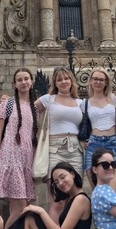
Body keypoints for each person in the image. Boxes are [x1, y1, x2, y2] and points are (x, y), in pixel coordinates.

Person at [0, 68, 38, 229]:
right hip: (10, 156)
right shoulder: (7, 104)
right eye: (20, 80)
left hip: (26, 159)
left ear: (31, 81)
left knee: (19, 206)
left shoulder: (34, 108)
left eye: (26, 79)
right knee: (20, 207)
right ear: (14, 84)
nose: (23, 82)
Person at [35, 67, 84, 220]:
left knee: (74, 197)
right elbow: (26, 110)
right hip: (54, 149)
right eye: (59, 79)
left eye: (66, 78)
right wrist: (8, 102)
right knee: (58, 200)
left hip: (75, 150)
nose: (63, 82)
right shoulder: (48, 99)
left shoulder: (80, 102)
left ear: (71, 81)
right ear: (55, 83)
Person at [83, 68, 116, 191]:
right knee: (98, 191)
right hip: (93, 145)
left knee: (113, 192)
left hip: (112, 144)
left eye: (101, 80)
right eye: (95, 79)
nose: (98, 82)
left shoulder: (113, 99)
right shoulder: (85, 103)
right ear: (90, 81)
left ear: (106, 82)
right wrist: (82, 141)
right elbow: (80, 124)